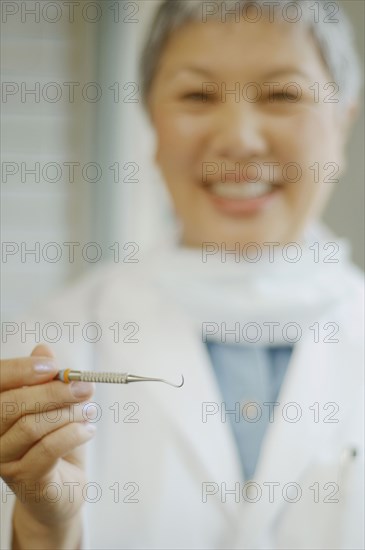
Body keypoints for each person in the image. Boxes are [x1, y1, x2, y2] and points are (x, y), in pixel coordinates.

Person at [1, 1, 364, 548]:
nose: (239, 139)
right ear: (152, 122)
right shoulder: (53, 343)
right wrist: (44, 527)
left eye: (282, 94)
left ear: (343, 122)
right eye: (198, 95)